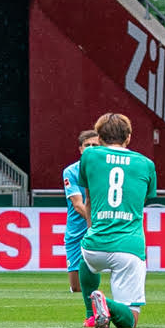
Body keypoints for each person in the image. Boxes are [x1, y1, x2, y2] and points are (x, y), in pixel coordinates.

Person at [77, 111, 158, 328]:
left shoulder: (89, 156)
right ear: (129, 137)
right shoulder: (146, 163)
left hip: (95, 245)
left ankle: (90, 313)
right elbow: (145, 198)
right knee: (130, 320)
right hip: (128, 247)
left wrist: (92, 231)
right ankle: (107, 304)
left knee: (85, 260)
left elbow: (89, 198)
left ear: (99, 138)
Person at [59, 127, 96, 304]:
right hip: (77, 232)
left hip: (103, 229)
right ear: (80, 149)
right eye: (87, 145)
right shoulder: (71, 172)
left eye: (95, 145)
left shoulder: (107, 171)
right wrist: (94, 223)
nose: (91, 148)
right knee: (76, 288)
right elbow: (77, 204)